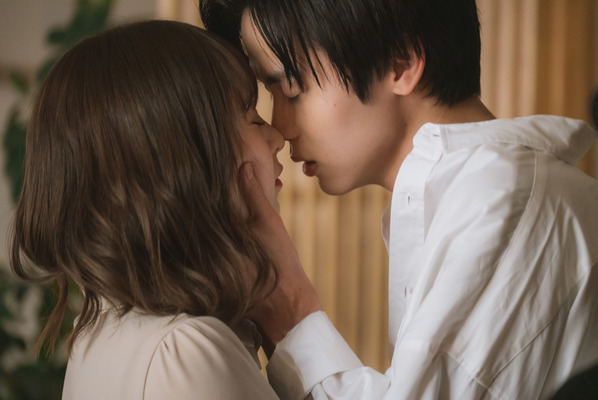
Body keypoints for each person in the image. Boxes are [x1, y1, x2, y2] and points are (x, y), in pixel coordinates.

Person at [200, 0, 598, 399]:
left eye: (291, 90)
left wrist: (289, 308)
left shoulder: (503, 202)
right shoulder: (471, 194)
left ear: (401, 63)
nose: (280, 128)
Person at [9, 20, 285, 399]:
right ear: (181, 164)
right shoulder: (184, 354)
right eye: (252, 118)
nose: (277, 137)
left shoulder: (103, 331)